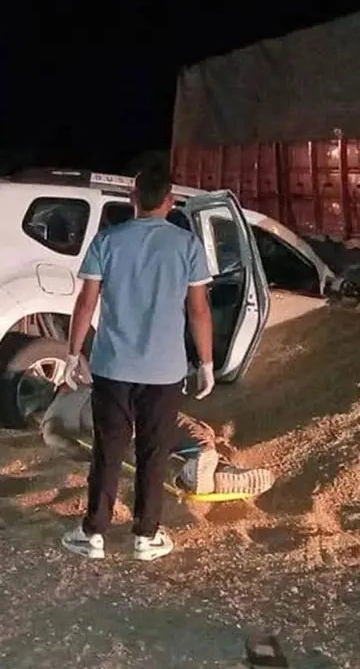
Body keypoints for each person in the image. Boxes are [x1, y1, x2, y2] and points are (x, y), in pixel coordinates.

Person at [59, 159, 216, 561]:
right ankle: (146, 536)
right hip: (164, 371)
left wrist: (74, 353)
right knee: (153, 451)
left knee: (107, 450)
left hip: (112, 366)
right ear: (172, 201)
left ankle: (92, 532)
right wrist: (207, 362)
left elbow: (86, 301)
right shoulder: (187, 246)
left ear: (132, 198)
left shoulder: (107, 241)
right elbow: (199, 310)